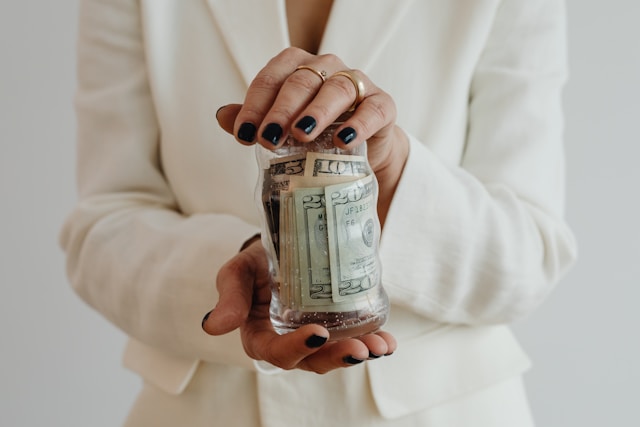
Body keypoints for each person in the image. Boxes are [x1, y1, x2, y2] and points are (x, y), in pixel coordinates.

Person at [60, 0, 577, 425]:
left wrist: (395, 176)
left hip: (443, 410)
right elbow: (103, 226)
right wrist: (256, 260)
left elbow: (531, 254)